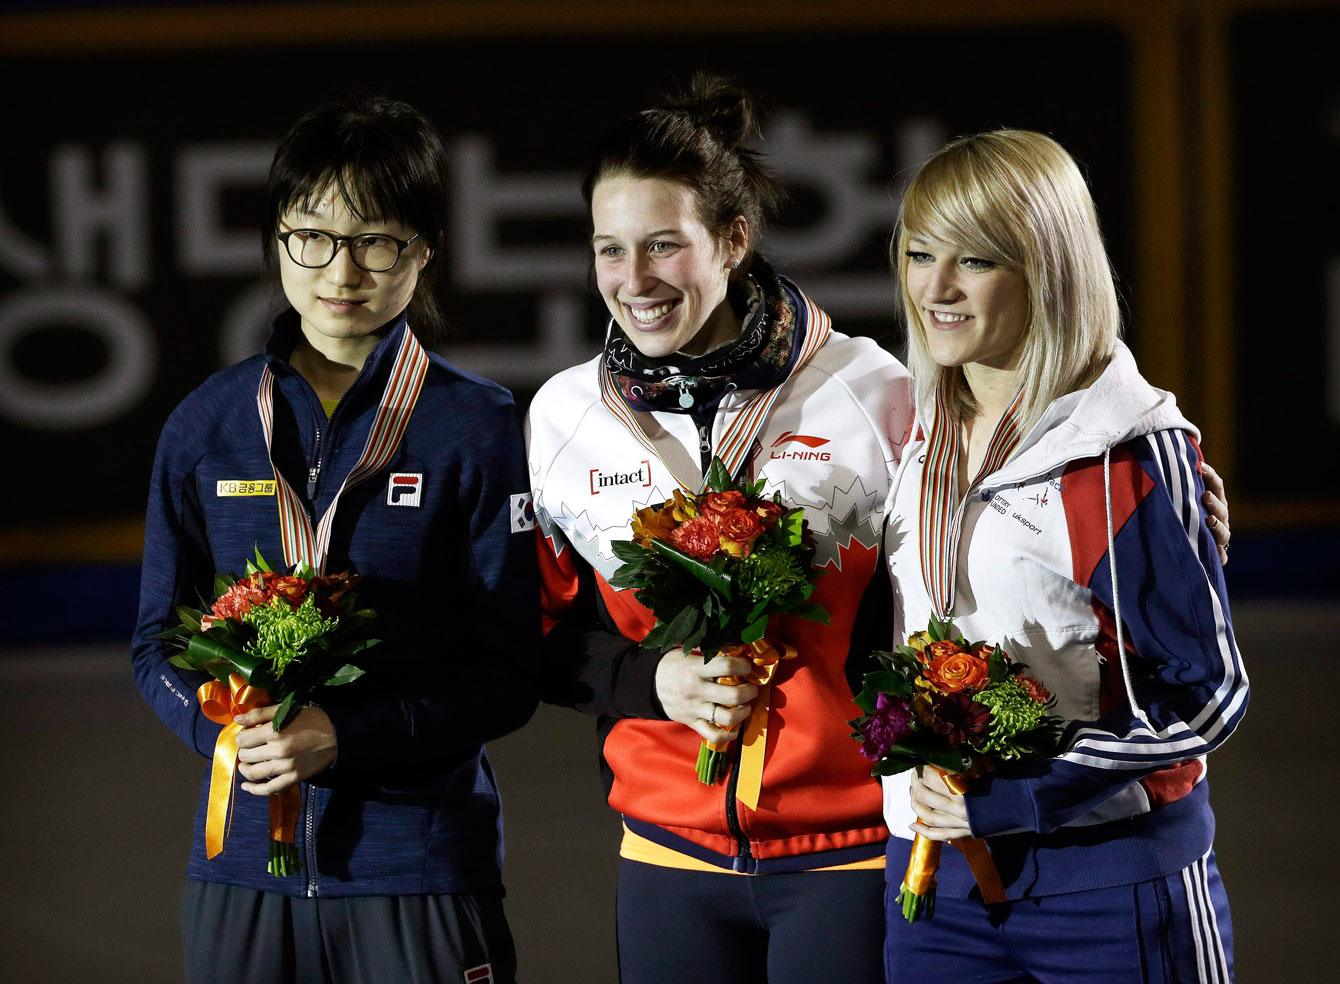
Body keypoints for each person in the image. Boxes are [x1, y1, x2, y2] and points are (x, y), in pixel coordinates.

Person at [131, 96, 538, 984]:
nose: (340, 270)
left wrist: (347, 737)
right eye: (311, 235)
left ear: (424, 249)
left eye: (377, 241)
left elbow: (511, 677)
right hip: (239, 876)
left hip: (419, 868)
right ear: (277, 239)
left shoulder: (478, 427)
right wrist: (229, 738)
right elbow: (155, 644)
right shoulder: (207, 424)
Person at [525, 74, 915, 982]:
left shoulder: (871, 392)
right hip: (666, 856)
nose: (635, 281)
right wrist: (647, 677)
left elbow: (951, 588)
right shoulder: (562, 416)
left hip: (848, 850)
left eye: (665, 246)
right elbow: (538, 636)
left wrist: (1154, 482)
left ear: (734, 240)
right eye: (610, 250)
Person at [880, 129, 1247, 983]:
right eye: (920, 253)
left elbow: (1210, 694)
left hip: (1111, 883)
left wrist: (1017, 795)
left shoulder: (1124, 452)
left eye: (974, 261)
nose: (935, 288)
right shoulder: (906, 424)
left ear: (1046, 269)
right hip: (935, 889)